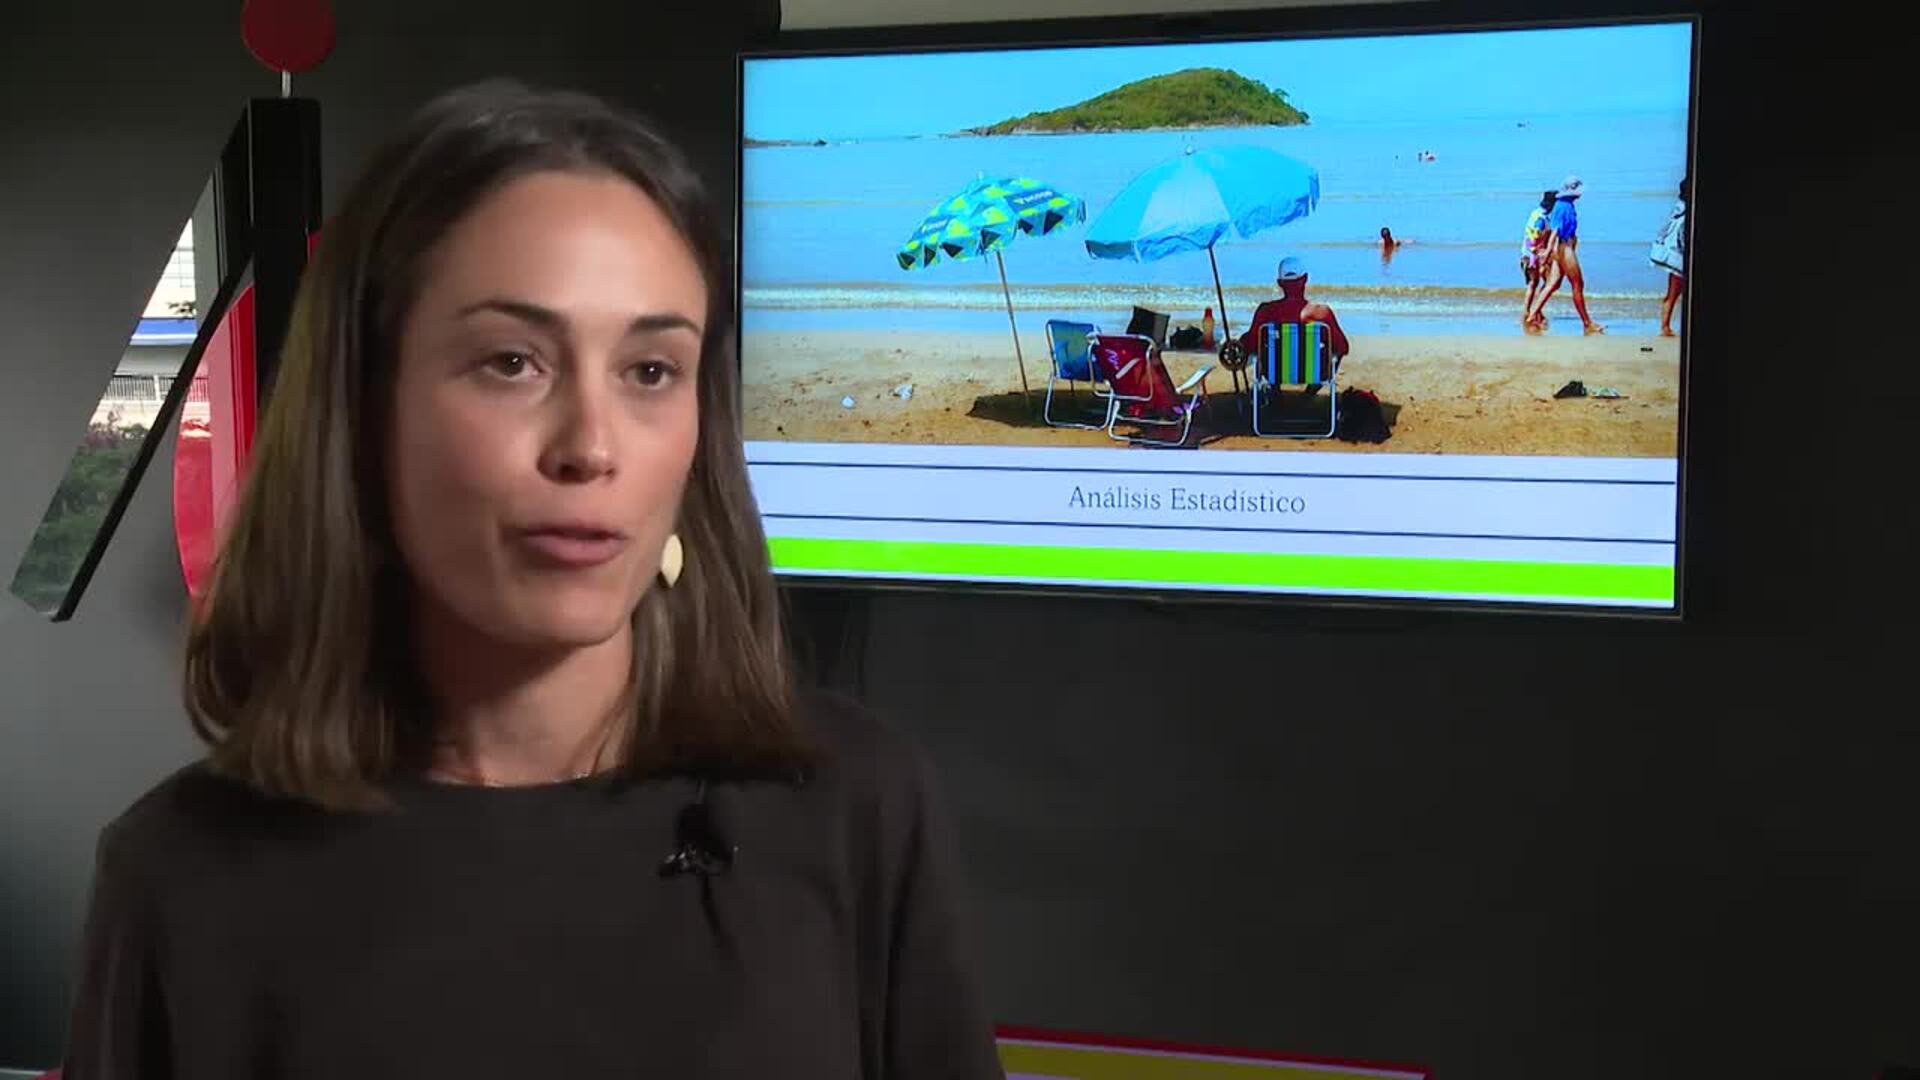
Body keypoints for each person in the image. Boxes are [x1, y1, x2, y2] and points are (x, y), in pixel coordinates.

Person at [61, 81, 1004, 1079]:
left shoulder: (857, 807)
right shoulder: (182, 878)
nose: (592, 447)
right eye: (513, 362)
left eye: (650, 371)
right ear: (365, 413)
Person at [1238, 256, 1350, 389]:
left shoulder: (1266, 312)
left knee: (1265, 349)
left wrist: (1244, 339)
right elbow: (1343, 347)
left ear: (1280, 283)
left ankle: (1275, 389)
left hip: (1274, 372)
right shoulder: (1321, 313)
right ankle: (1312, 389)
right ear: (1305, 278)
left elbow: (1251, 345)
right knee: (1331, 351)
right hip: (1314, 373)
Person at [1525, 175, 1605, 334]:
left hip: (1561, 247)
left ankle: (1532, 316)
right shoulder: (1564, 207)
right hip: (1565, 248)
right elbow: (1555, 231)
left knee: (1553, 284)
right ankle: (1587, 323)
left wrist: (1550, 251)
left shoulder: (1563, 205)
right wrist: (1547, 253)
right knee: (1578, 284)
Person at [1650, 176, 1688, 336]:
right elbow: (1683, 237)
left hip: (1673, 255)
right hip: (1679, 257)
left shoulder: (1678, 208)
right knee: (1674, 293)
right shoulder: (1686, 212)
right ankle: (1665, 327)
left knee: (1673, 293)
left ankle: (1665, 326)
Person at [1520, 189, 1557, 328]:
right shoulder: (1542, 219)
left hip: (1525, 253)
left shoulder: (1535, 213)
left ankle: (1529, 311)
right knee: (1544, 283)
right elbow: (1535, 238)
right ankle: (1535, 312)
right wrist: (1537, 257)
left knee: (1533, 284)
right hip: (1533, 255)